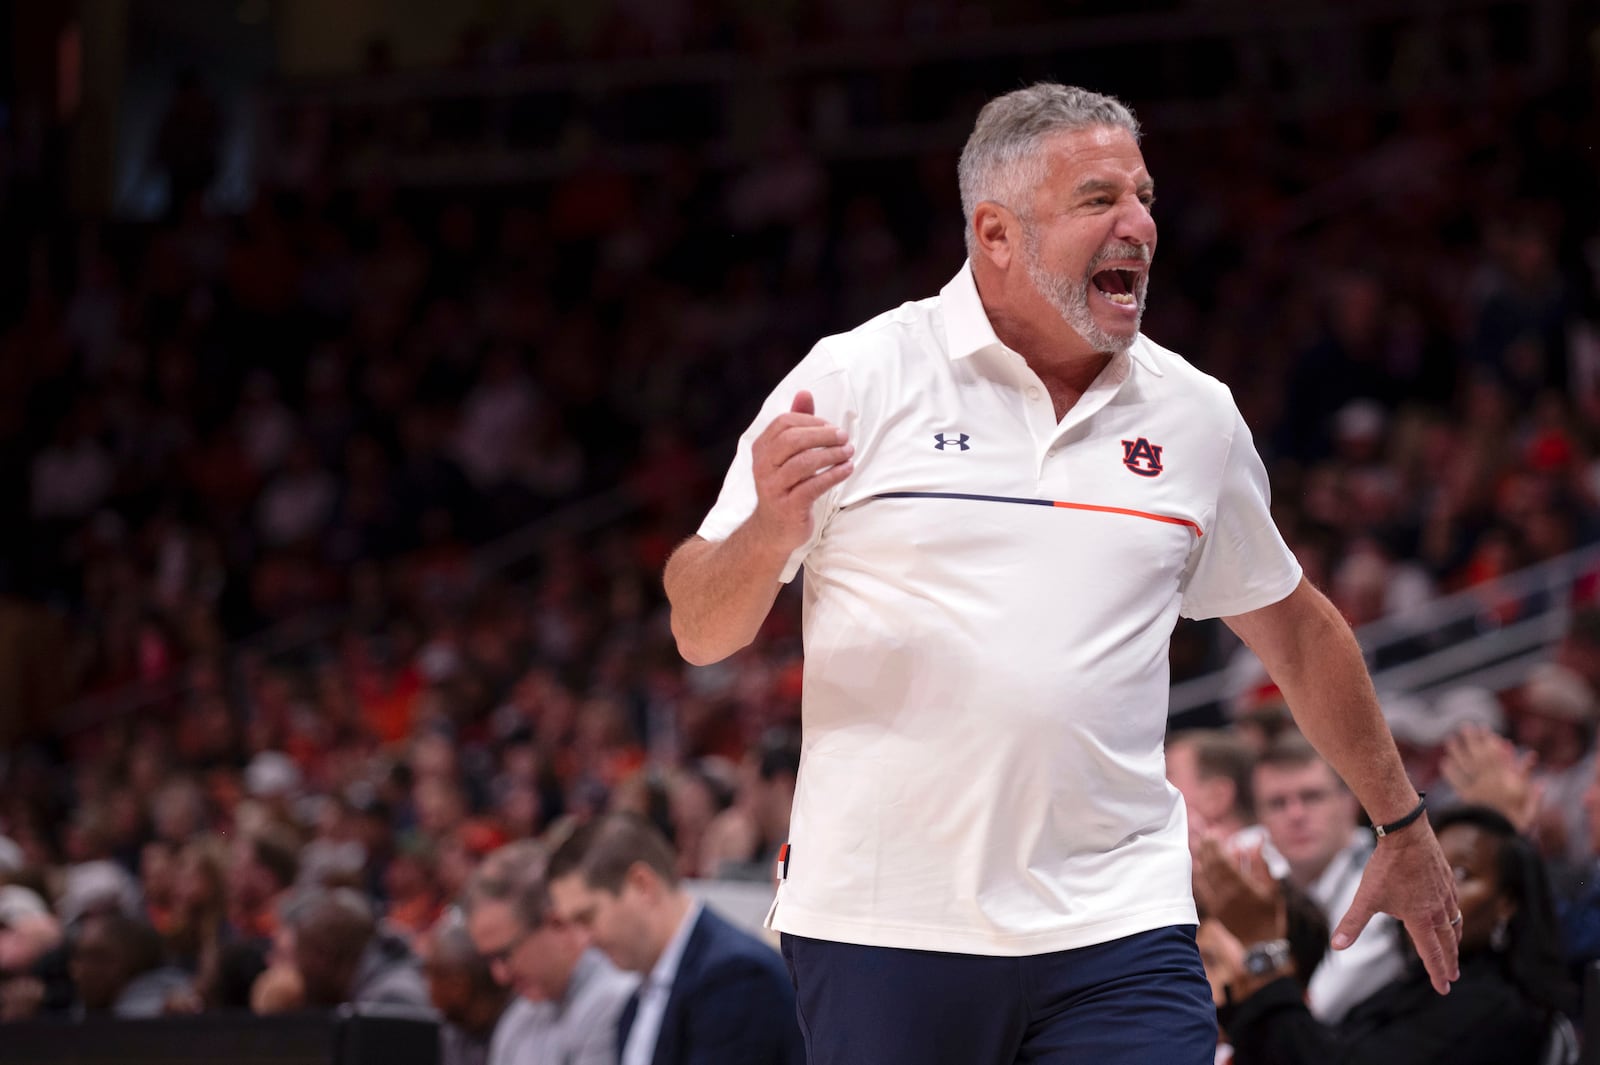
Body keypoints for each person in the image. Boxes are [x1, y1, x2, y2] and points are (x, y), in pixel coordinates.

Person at [661, 81, 1460, 1065]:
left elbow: (1295, 627)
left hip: (1119, 922)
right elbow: (700, 626)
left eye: (1145, 197)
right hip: (889, 923)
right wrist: (762, 535)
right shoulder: (856, 379)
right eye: (1098, 201)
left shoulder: (1193, 414)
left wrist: (1402, 821)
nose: (1139, 226)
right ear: (995, 234)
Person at [1202, 806, 1576, 1065]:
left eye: (1459, 875)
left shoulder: (1497, 1008)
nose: (1434, 888)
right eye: (1429, 871)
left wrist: (1262, 948)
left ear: (1507, 902)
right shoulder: (1414, 985)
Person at [545, 812, 803, 1065]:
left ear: (641, 885)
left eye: (586, 918)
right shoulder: (637, 1003)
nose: (583, 940)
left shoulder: (737, 978)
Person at [1252, 735, 1406, 1022]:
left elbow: (1318, 1008)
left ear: (1350, 803)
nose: (1295, 815)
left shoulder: (1382, 882)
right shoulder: (1263, 874)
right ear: (1260, 819)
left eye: (1311, 797)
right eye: (1277, 804)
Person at [461, 840, 636, 1065]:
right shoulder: (519, 1019)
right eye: (489, 960)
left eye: (505, 955)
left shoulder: (616, 1000)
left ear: (557, 924)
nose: (500, 976)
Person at [422, 915, 512, 1065]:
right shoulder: (453, 1030)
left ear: (458, 985)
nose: (425, 987)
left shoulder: (518, 1030)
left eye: (430, 976)